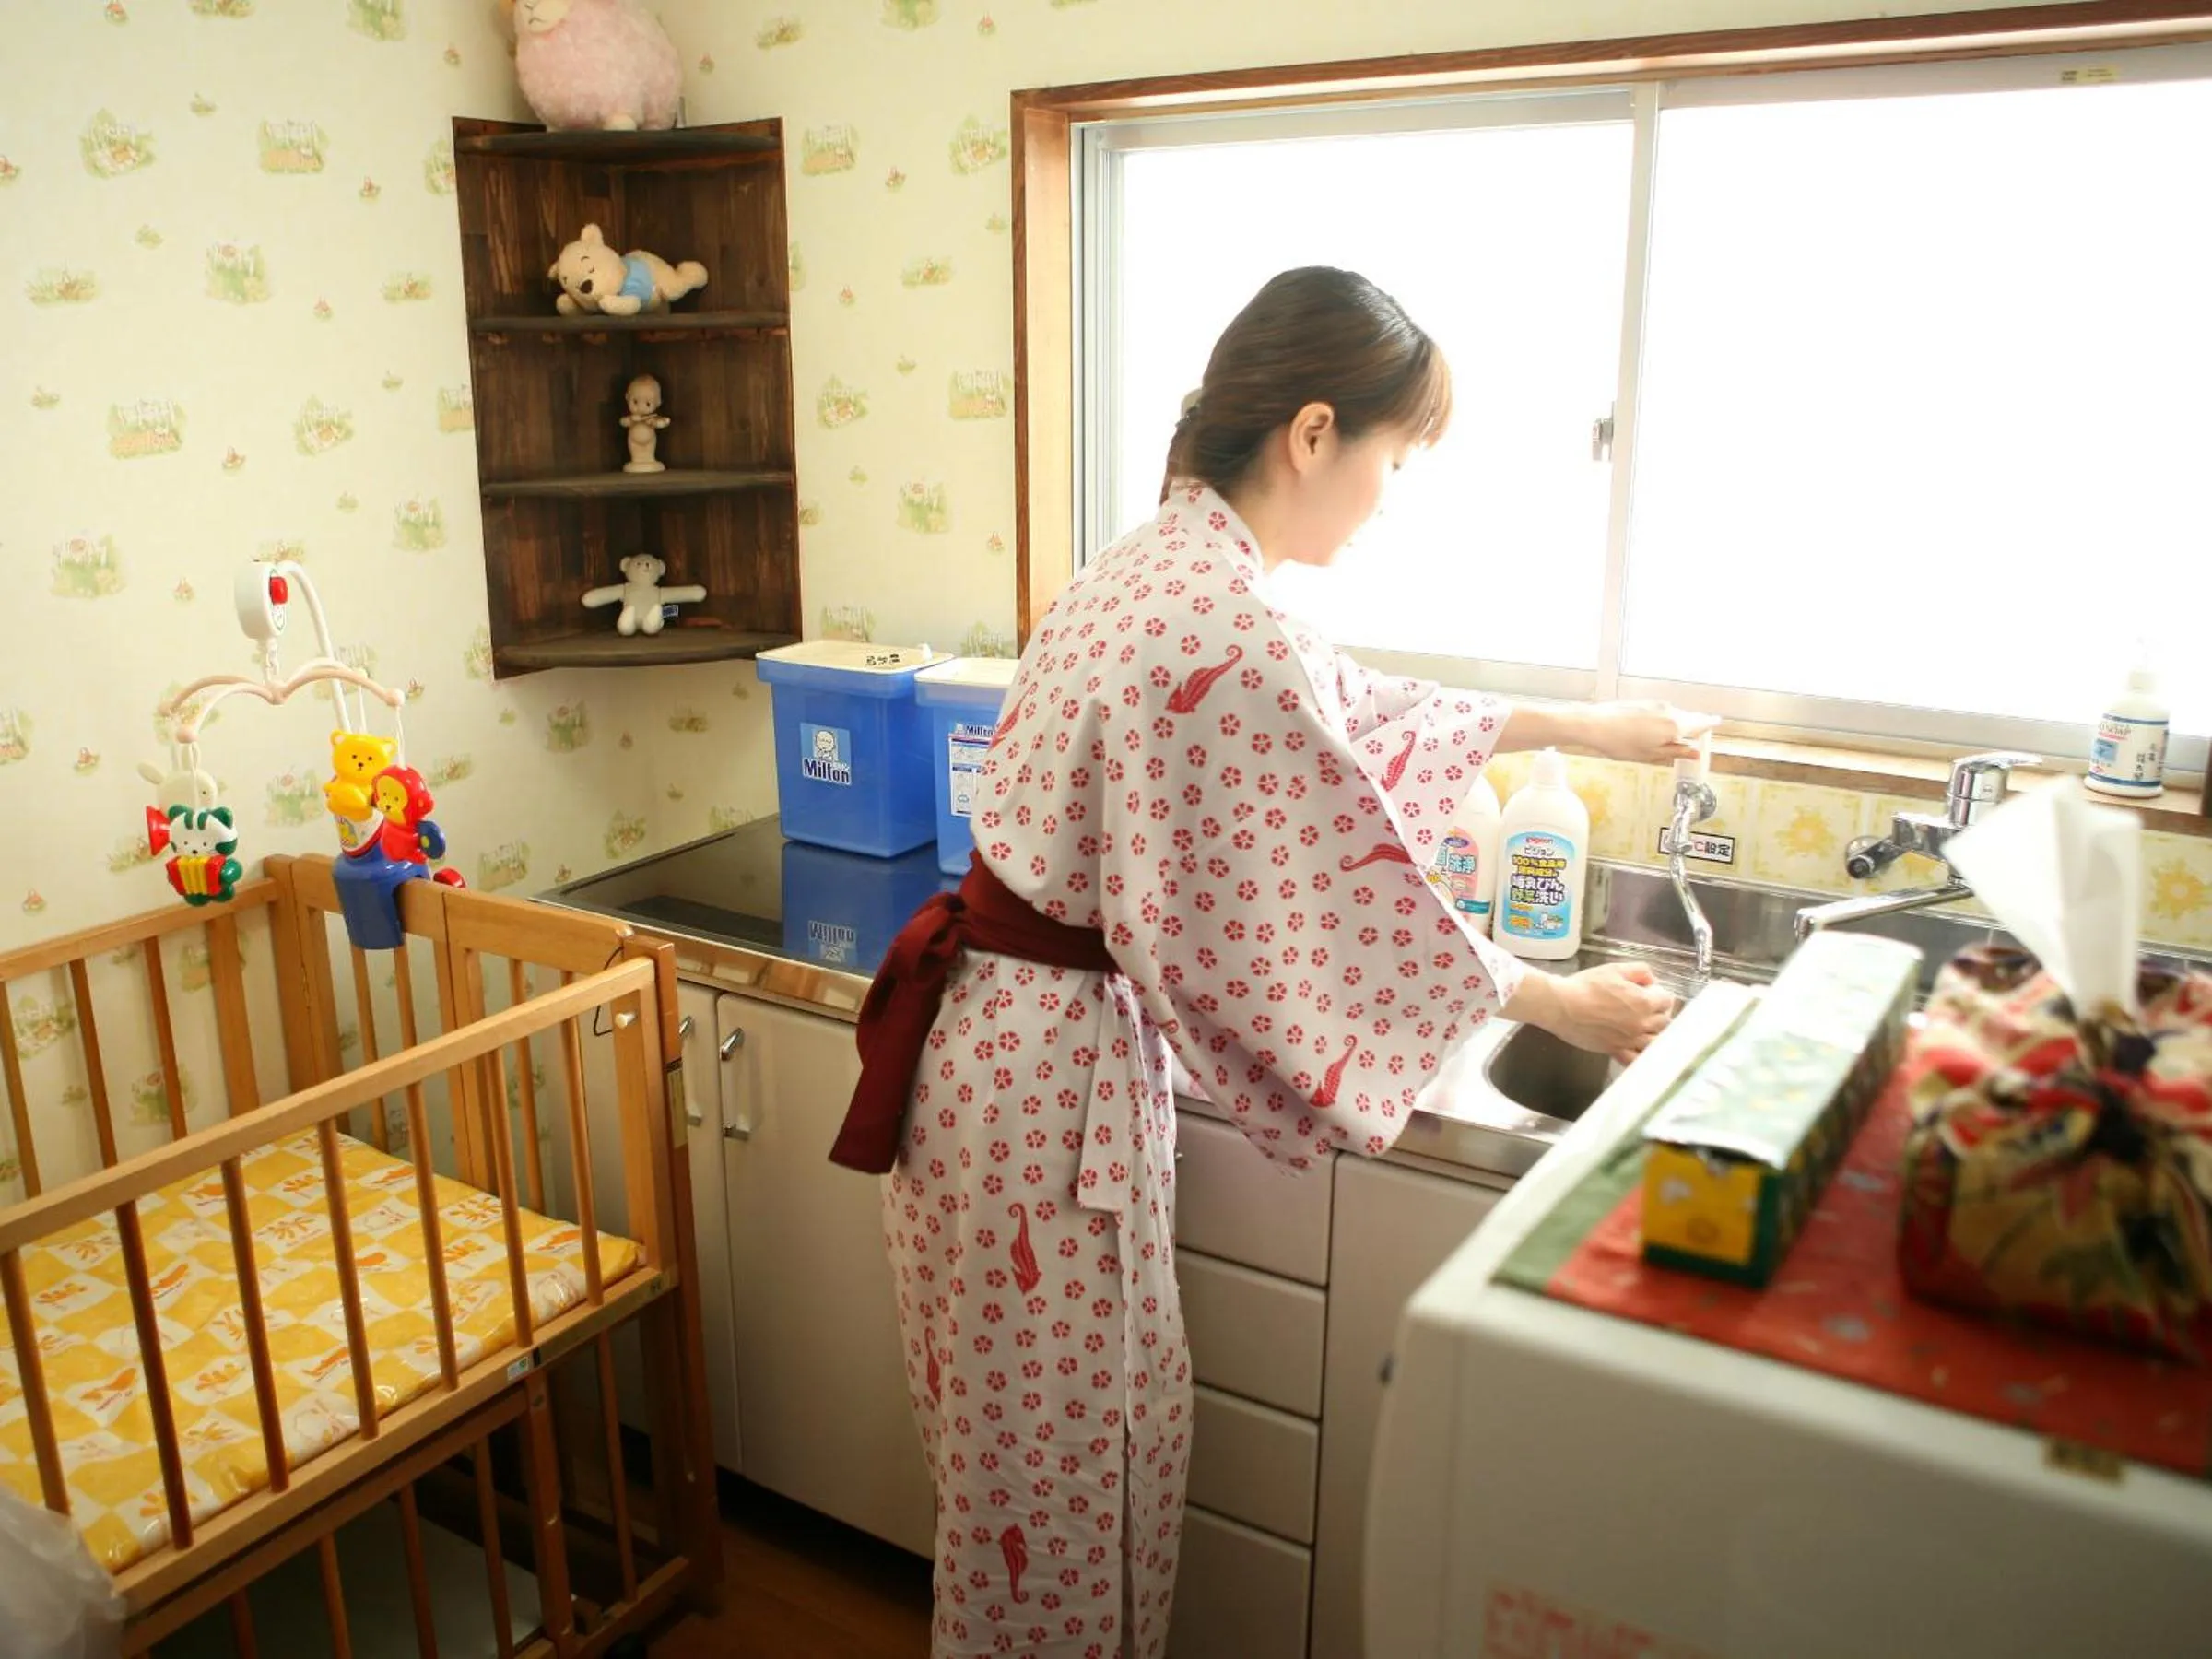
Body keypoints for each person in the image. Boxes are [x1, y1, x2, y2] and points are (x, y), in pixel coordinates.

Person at [831, 266, 1713, 1659]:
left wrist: (1591, 729)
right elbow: (1312, 894)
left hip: (983, 1060)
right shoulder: (1225, 626)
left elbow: (1353, 718)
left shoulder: (1156, 565)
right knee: (1059, 1498)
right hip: (1044, 1093)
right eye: (1394, 460)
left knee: (1011, 1479)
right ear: (1314, 434)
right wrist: (1556, 998)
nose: (1387, 497)